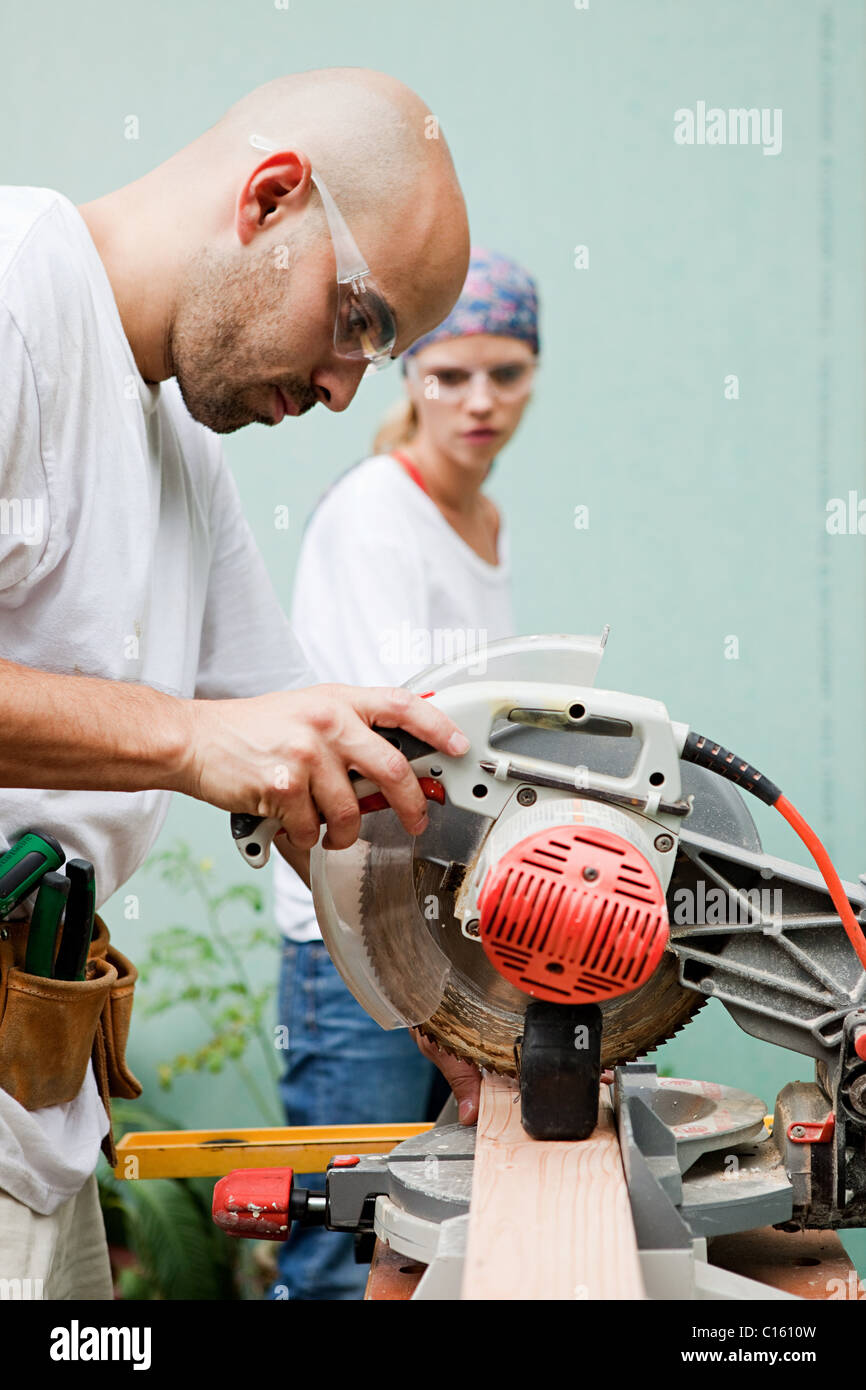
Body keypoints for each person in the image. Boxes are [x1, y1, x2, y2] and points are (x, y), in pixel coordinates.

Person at [0, 67, 471, 1298]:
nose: (340, 388)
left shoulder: (176, 448)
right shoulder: (11, 293)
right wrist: (184, 737)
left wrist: (461, 1027)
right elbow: (209, 739)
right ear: (271, 199)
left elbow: (314, 776)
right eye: (358, 323)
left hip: (39, 1118)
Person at [272, 248, 540, 1299]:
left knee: (420, 1255)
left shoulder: (483, 523)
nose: (479, 401)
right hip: (359, 947)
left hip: (447, 931)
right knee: (347, 1255)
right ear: (408, 376)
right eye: (449, 372)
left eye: (506, 372)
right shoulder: (379, 517)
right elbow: (396, 769)